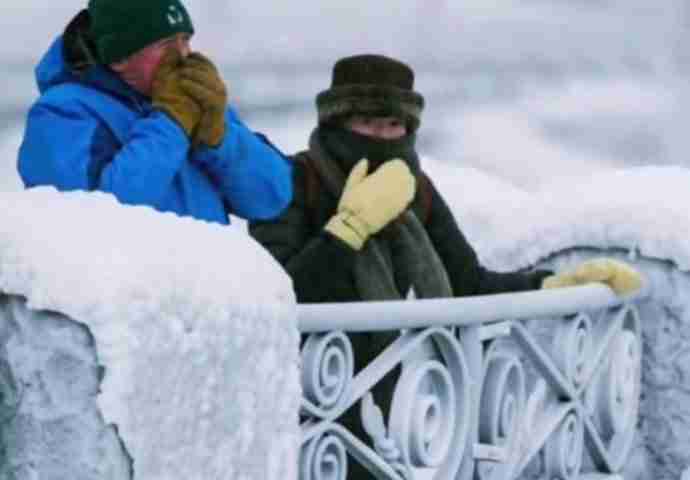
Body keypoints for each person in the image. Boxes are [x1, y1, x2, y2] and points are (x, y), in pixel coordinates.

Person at [249, 54, 642, 477]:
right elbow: (280, 295)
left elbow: (469, 283)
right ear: (335, 124)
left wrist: (553, 286)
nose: (382, 136)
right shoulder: (292, 180)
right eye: (366, 123)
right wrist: (349, 228)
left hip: (415, 410)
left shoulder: (416, 191)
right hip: (316, 409)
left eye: (394, 125)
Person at [18, 0, 292, 224]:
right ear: (120, 58)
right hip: (132, 290)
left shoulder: (190, 100)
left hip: (208, 287)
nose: (184, 56)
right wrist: (171, 124)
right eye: (166, 45)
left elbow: (271, 199)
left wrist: (219, 139)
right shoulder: (63, 114)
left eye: (185, 40)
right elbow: (90, 223)